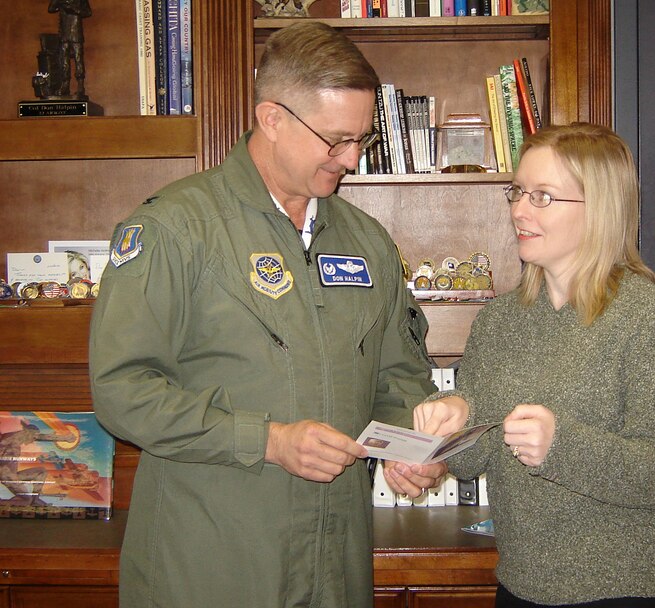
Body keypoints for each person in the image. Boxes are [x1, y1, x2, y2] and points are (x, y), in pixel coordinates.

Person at [89, 21, 444, 608]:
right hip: (209, 566)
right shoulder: (175, 229)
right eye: (335, 141)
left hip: (334, 565)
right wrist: (269, 441)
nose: (351, 160)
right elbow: (122, 391)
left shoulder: (368, 242)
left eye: (362, 139)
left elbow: (397, 378)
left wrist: (410, 450)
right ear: (272, 119)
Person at [413, 123, 655, 607]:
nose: (519, 211)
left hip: (629, 590)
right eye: (518, 192)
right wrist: (452, 421)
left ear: (601, 209)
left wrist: (560, 446)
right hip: (524, 585)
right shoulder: (499, 320)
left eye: (543, 196)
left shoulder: (648, 319)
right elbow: (472, 460)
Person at [48, 0, 92, 97]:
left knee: (78, 58)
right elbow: (51, 9)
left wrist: (74, 10)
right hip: (64, 32)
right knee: (64, 59)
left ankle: (80, 86)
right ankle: (65, 84)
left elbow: (88, 12)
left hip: (76, 31)